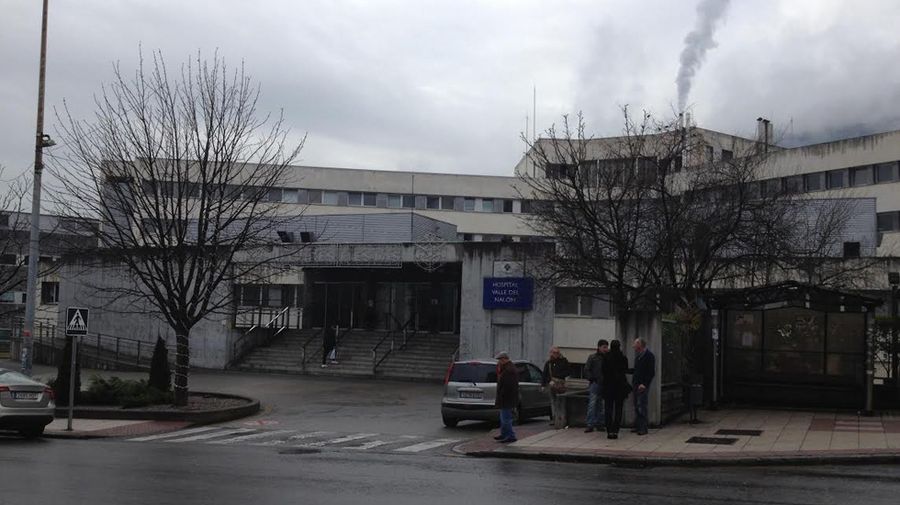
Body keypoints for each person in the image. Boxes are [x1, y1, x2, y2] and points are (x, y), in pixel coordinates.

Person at [601, 339, 629, 439]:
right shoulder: (623, 358)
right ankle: (616, 430)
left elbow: (603, 371)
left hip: (608, 386)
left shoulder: (606, 357)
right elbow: (625, 370)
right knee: (618, 409)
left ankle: (609, 431)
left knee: (608, 409)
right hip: (620, 386)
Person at [583, 339, 609, 433]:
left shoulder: (607, 357)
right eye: (604, 347)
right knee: (592, 404)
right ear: (599, 347)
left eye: (607, 347)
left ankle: (600, 423)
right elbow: (586, 370)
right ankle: (590, 424)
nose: (606, 349)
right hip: (595, 383)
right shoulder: (593, 357)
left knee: (601, 405)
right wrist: (592, 378)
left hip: (604, 384)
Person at [631, 337, 655, 435]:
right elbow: (636, 370)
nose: (633, 346)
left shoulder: (649, 356)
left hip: (642, 385)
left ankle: (643, 428)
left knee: (642, 406)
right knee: (637, 405)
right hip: (636, 384)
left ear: (640, 345)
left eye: (635, 344)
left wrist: (644, 384)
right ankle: (638, 426)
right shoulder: (638, 356)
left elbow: (651, 372)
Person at [493, 351, 519, 443]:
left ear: (504, 359)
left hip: (507, 399)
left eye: (500, 360)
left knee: (506, 419)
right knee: (503, 418)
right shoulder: (506, 368)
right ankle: (504, 434)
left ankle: (511, 436)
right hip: (506, 398)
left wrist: (502, 395)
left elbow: (507, 386)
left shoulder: (509, 370)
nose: (499, 362)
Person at [541, 346, 570, 426]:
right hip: (552, 384)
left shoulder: (564, 361)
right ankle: (555, 419)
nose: (556, 354)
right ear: (551, 353)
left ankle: (562, 419)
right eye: (554, 353)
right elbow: (545, 374)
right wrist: (545, 383)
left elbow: (568, 371)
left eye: (557, 353)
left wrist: (559, 377)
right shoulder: (548, 363)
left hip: (561, 384)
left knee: (561, 402)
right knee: (553, 402)